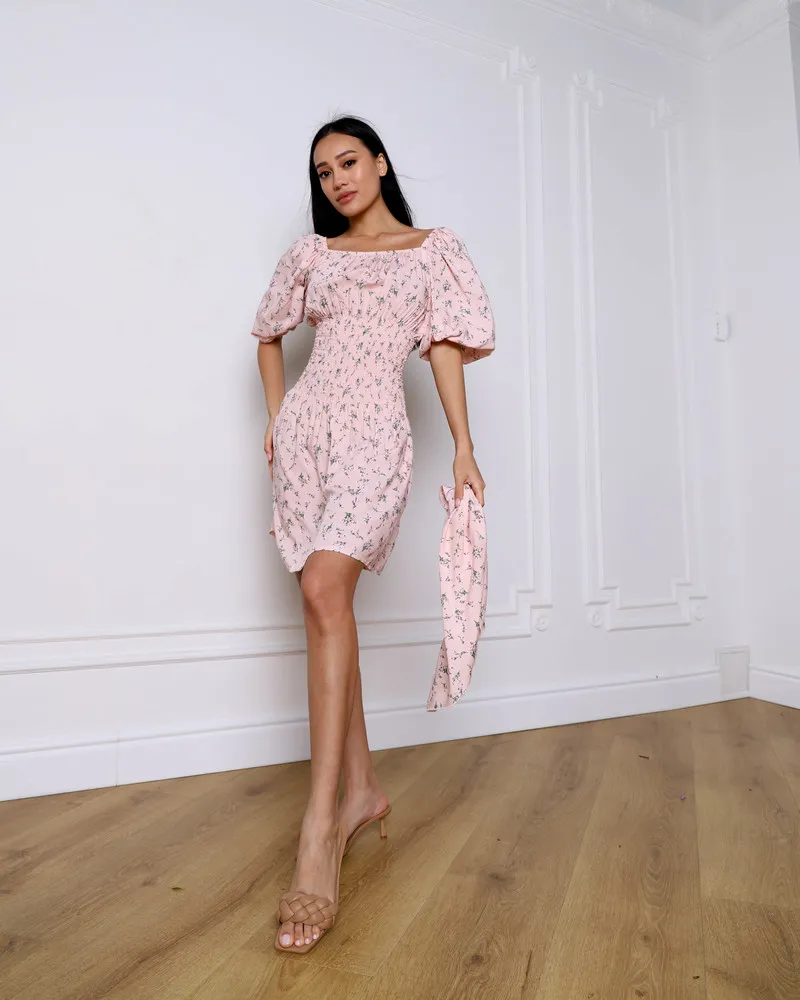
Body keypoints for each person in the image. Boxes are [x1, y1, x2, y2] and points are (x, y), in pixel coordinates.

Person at [250, 115, 495, 954]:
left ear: (381, 162)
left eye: (349, 162)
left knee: (325, 590)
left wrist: (463, 447)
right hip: (309, 438)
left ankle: (320, 830)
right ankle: (361, 791)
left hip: (376, 437)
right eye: (323, 173)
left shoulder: (432, 252)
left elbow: (445, 351)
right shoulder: (314, 257)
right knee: (329, 609)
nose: (338, 180)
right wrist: (278, 417)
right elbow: (268, 333)